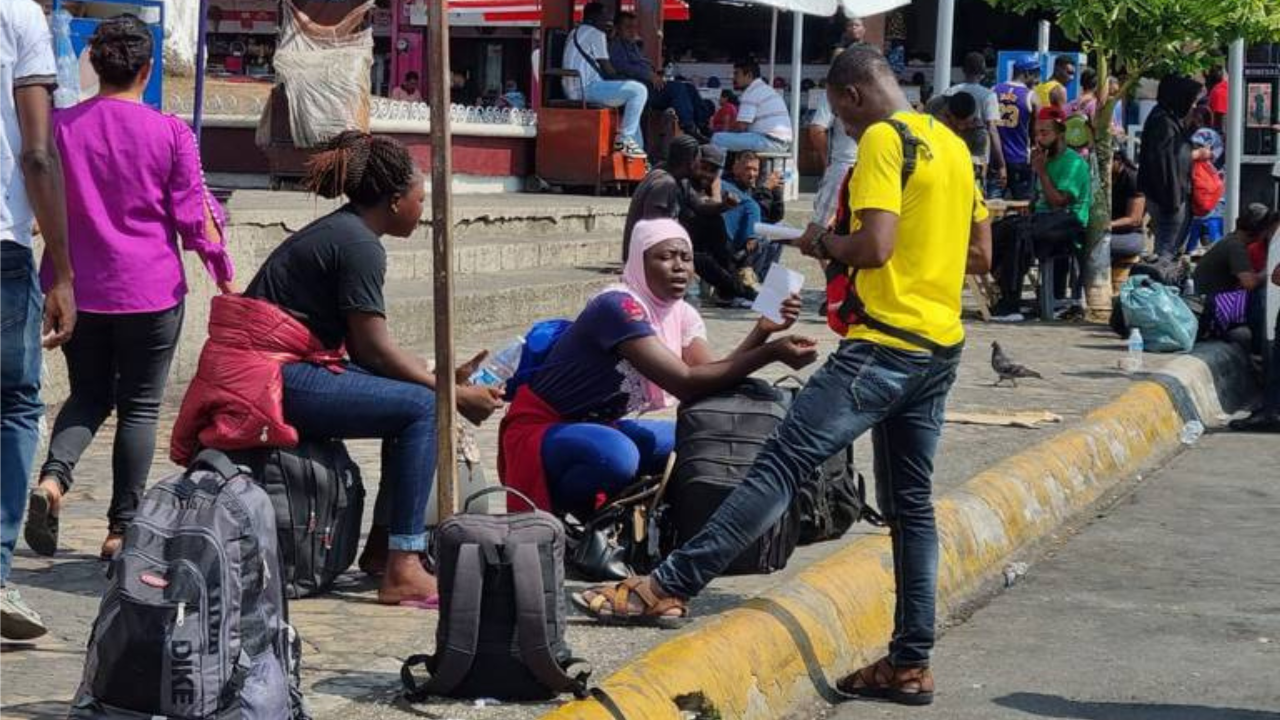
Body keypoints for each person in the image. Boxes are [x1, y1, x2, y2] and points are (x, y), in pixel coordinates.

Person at [574, 47, 992, 708]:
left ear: (851, 96)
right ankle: (910, 662)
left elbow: (875, 247)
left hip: (881, 347)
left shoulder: (886, 139)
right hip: (939, 351)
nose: (843, 130)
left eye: (839, 116)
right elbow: (981, 254)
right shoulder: (949, 143)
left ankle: (667, 586)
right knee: (912, 507)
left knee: (779, 464)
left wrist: (822, 243)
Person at [172, 131, 505, 606]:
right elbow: (372, 352)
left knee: (416, 400)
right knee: (424, 409)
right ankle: (404, 565)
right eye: (419, 198)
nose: (421, 207)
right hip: (265, 379)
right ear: (394, 202)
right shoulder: (359, 245)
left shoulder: (346, 231)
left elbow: (371, 351)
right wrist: (448, 395)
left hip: (278, 366)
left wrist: (440, 376)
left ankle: (380, 550)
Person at [24, 16, 236, 566]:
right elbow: (194, 220)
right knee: (139, 408)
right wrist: (224, 270)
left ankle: (52, 481)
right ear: (147, 69)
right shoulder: (171, 133)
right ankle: (121, 529)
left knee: (89, 394)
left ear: (92, 64)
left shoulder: (61, 128)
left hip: (76, 289)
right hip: (151, 291)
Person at [499, 218, 816, 516]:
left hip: (601, 426)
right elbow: (685, 382)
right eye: (666, 257)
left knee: (702, 437)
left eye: (686, 258)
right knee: (618, 457)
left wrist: (763, 330)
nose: (679, 267)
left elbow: (712, 376)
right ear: (639, 261)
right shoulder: (618, 307)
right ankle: (571, 516)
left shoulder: (681, 314)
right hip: (542, 430)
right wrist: (771, 353)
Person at [1, 0, 77, 642]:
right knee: (15, 406)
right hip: (2, 248)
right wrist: (65, 274)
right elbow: (37, 154)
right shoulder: (20, 16)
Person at [990, 107, 1091, 321]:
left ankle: (1011, 303)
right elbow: (1041, 200)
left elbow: (1058, 202)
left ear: (1060, 134)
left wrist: (1042, 172)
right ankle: (1002, 286)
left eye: (1045, 133)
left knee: (1020, 233)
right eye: (1037, 133)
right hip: (1045, 218)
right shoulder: (1043, 158)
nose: (1039, 138)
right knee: (1000, 228)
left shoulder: (1072, 162)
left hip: (1069, 221)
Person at [622, 135, 731, 260]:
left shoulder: (679, 179)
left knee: (713, 222)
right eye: (698, 160)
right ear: (690, 162)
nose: (699, 165)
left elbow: (700, 206)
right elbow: (653, 229)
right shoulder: (664, 183)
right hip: (646, 259)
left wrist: (724, 205)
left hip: (661, 252)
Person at [562, 2, 648, 158]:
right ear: (594, 18)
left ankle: (638, 154)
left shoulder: (575, 32)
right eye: (605, 17)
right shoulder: (596, 34)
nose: (608, 21)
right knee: (639, 91)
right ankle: (624, 140)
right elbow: (608, 70)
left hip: (575, 87)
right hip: (585, 88)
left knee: (632, 104)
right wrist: (629, 79)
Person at [609, 11, 707, 140]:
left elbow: (644, 64)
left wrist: (655, 74)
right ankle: (688, 126)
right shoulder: (615, 46)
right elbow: (623, 66)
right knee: (677, 89)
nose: (632, 31)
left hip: (650, 85)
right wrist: (649, 75)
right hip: (637, 88)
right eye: (628, 27)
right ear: (617, 28)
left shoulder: (632, 46)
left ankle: (702, 125)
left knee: (689, 88)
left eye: (634, 27)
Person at [683, 145, 758, 306]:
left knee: (717, 229)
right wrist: (722, 203)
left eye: (713, 171)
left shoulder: (707, 184)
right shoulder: (684, 182)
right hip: (672, 247)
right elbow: (701, 206)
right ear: (694, 163)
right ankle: (738, 292)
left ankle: (734, 291)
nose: (707, 174)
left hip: (698, 244)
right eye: (703, 167)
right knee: (705, 260)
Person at [1192, 203, 1278, 344]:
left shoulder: (1230, 241)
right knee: (1261, 295)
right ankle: (1259, 349)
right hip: (1212, 306)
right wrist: (1270, 270)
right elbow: (1249, 283)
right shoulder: (1235, 247)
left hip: (1211, 301)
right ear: (1260, 231)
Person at [1139, 75, 1203, 261]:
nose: (1192, 106)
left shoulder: (1166, 118)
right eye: (1190, 101)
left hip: (1167, 196)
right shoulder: (1164, 123)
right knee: (1167, 250)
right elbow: (1169, 160)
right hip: (1169, 198)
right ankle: (1162, 286)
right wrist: (1197, 155)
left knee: (1170, 248)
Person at [809, 48, 859, 227]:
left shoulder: (834, 91)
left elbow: (816, 129)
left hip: (842, 168)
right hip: (869, 168)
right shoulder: (873, 92)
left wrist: (827, 162)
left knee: (822, 232)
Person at [942, 52, 1006, 186]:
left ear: (963, 70)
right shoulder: (988, 95)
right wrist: (1001, 164)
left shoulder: (949, 92)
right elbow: (992, 130)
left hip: (950, 154)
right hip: (977, 159)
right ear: (983, 72)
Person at [720, 151, 784, 283]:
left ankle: (763, 280)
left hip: (746, 237)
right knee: (763, 237)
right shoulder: (727, 186)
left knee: (781, 229)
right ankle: (746, 283)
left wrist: (777, 195)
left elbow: (773, 218)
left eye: (755, 170)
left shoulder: (750, 189)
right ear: (735, 168)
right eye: (747, 169)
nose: (752, 174)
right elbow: (756, 216)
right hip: (732, 240)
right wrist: (765, 189)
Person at [710, 59, 793, 154]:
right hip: (780, 142)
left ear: (749, 75)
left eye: (737, 74)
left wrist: (723, 131)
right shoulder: (765, 89)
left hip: (768, 141)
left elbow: (741, 126)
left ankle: (720, 169)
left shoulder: (751, 92)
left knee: (717, 138)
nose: (734, 78)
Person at [994, 55, 1039, 200]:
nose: (1037, 79)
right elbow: (1037, 131)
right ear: (1026, 74)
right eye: (1035, 74)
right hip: (1020, 157)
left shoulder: (994, 90)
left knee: (993, 207)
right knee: (1023, 208)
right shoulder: (1031, 96)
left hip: (995, 158)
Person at [1109, 145, 1147, 259]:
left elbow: (1134, 220)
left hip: (1129, 235)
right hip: (1108, 233)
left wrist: (1108, 225)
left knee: (1095, 245)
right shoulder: (1101, 177)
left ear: (1118, 160)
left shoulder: (1133, 178)